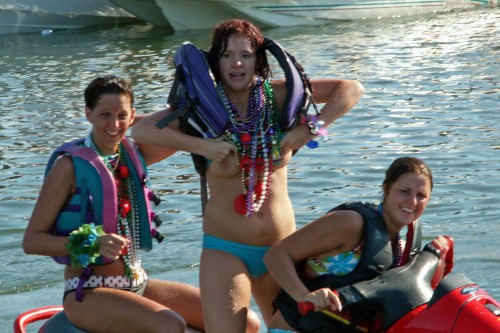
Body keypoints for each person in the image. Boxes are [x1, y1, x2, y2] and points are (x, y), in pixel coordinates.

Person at [131, 19, 364, 332]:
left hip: (280, 251)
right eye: (227, 55)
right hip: (225, 249)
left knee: (288, 329)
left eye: (246, 54)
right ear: (216, 61)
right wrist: (202, 145)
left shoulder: (278, 97)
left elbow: (350, 89)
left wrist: (307, 129)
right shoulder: (200, 110)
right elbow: (142, 128)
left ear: (259, 59)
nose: (237, 63)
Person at [22, 75, 204, 333]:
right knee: (170, 325)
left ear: (132, 117)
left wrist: (144, 121)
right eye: (105, 114)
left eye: (122, 115)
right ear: (88, 114)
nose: (114, 124)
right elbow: (31, 242)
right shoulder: (68, 167)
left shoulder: (133, 154)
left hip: (137, 282)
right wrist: (93, 243)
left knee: (241, 321)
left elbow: (183, 123)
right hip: (88, 291)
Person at [263, 157, 435, 332]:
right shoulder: (352, 223)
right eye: (404, 191)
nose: (412, 201)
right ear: (387, 188)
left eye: (421, 195)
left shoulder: (403, 248)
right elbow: (276, 255)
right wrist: (305, 296)